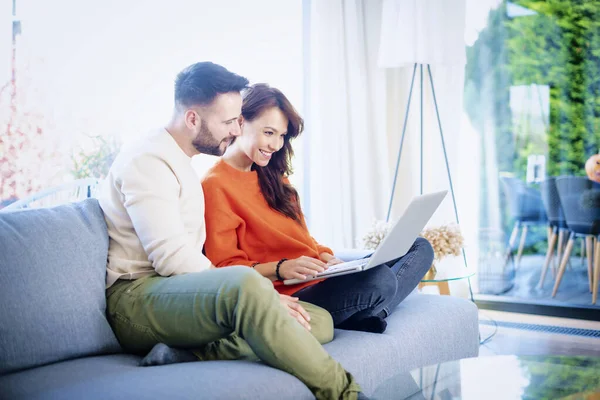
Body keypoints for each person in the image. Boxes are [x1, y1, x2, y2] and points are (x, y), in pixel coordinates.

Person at [97, 62, 362, 400]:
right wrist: (257, 294)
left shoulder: (182, 159)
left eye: (238, 121)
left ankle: (188, 355)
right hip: (135, 300)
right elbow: (169, 257)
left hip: (176, 293)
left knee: (318, 321)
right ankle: (346, 393)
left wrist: (265, 300)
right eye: (228, 122)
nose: (236, 131)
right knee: (248, 286)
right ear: (192, 118)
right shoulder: (147, 161)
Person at [202, 83, 434, 334]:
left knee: (419, 246)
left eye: (282, 136)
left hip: (321, 276)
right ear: (240, 123)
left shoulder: (274, 177)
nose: (276, 145)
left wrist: (327, 257)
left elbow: (301, 238)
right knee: (380, 280)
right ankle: (365, 311)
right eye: (269, 133)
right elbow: (224, 268)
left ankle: (370, 313)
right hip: (291, 291)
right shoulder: (215, 186)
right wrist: (281, 268)